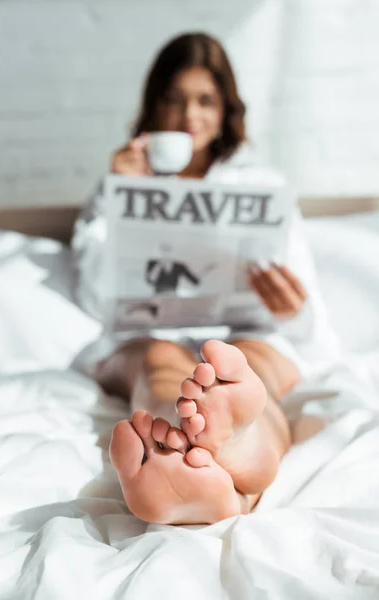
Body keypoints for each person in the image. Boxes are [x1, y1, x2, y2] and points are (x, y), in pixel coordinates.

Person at [72, 32, 341, 525]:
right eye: (173, 100)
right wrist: (118, 193)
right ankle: (214, 454)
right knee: (158, 362)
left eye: (204, 100)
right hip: (153, 331)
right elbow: (92, 296)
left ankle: (224, 443)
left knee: (244, 364)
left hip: (249, 333)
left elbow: (311, 320)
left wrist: (291, 307)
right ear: (154, 108)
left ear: (226, 111)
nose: (188, 117)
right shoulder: (122, 183)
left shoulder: (264, 189)